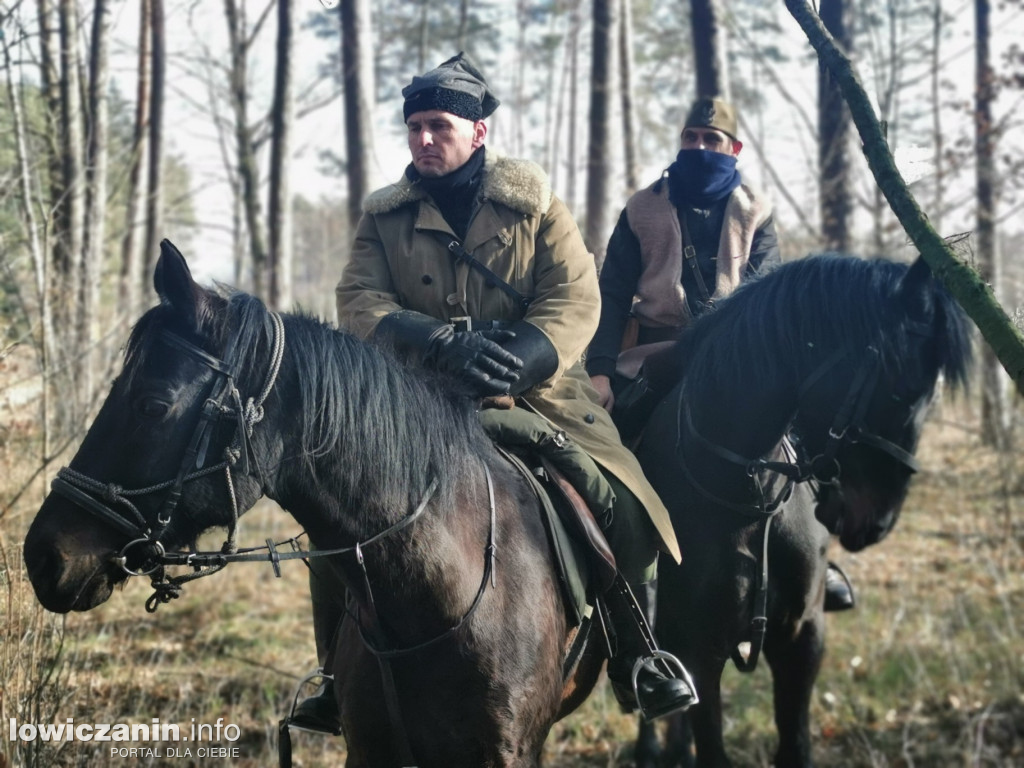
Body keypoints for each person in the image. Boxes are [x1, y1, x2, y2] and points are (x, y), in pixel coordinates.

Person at [292, 52, 698, 732]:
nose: (424, 140)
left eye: (439, 127)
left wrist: (521, 358)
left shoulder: (535, 206)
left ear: (478, 133)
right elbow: (358, 300)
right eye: (415, 127)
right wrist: (433, 341)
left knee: (617, 496)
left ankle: (638, 652)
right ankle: (336, 675)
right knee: (335, 513)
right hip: (415, 400)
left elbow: (574, 297)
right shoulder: (384, 218)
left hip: (536, 392)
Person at [584, 96, 855, 614]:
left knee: (808, 431)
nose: (699, 148)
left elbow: (769, 292)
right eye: (691, 138)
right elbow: (612, 294)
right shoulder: (642, 208)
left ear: (734, 149)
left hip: (735, 358)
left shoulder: (757, 211)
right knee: (614, 441)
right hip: (655, 352)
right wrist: (599, 371)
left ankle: (823, 554)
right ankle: (611, 558)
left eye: (711, 141)